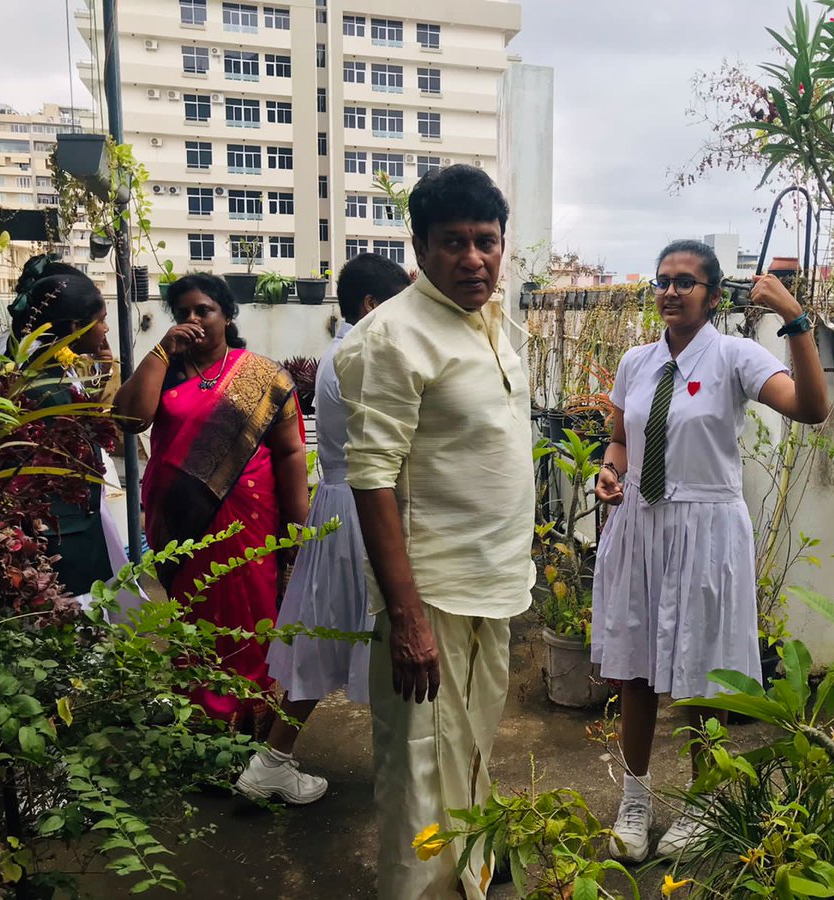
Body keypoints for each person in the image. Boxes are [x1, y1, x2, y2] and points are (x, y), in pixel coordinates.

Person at [591, 239, 829, 863]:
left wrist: (794, 318)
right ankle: (636, 800)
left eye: (685, 282)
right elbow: (620, 440)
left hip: (706, 530)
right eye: (663, 280)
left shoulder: (735, 357)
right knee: (636, 669)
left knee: (703, 674)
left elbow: (812, 408)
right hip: (640, 527)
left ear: (715, 296)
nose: (670, 291)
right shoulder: (636, 362)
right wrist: (610, 471)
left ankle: (704, 802)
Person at [334, 164, 531, 899]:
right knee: (420, 766)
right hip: (432, 594)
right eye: (453, 242)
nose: (474, 258)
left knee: (471, 751)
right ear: (419, 248)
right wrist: (408, 616)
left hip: (493, 585)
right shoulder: (393, 336)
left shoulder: (492, 322)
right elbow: (371, 477)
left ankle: (470, 879)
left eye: (487, 241)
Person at [238, 253, 411, 804]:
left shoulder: (341, 352)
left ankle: (273, 760)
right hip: (366, 509)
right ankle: (402, 772)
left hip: (342, 506)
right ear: (372, 304)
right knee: (384, 635)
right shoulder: (365, 355)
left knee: (326, 635)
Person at [114, 274, 309, 736]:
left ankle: (250, 721)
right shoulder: (165, 370)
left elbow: (289, 451)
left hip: (249, 521)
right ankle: (202, 721)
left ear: (227, 316)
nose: (193, 319)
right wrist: (162, 350)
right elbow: (129, 418)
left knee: (250, 613)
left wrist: (299, 524)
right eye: (183, 312)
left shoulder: (261, 376)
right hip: (181, 523)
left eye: (204, 310)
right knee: (194, 614)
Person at [6, 256, 118, 602]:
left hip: (70, 527)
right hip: (61, 537)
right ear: (74, 327)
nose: (106, 330)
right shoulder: (46, 391)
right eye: (101, 321)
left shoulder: (50, 375)